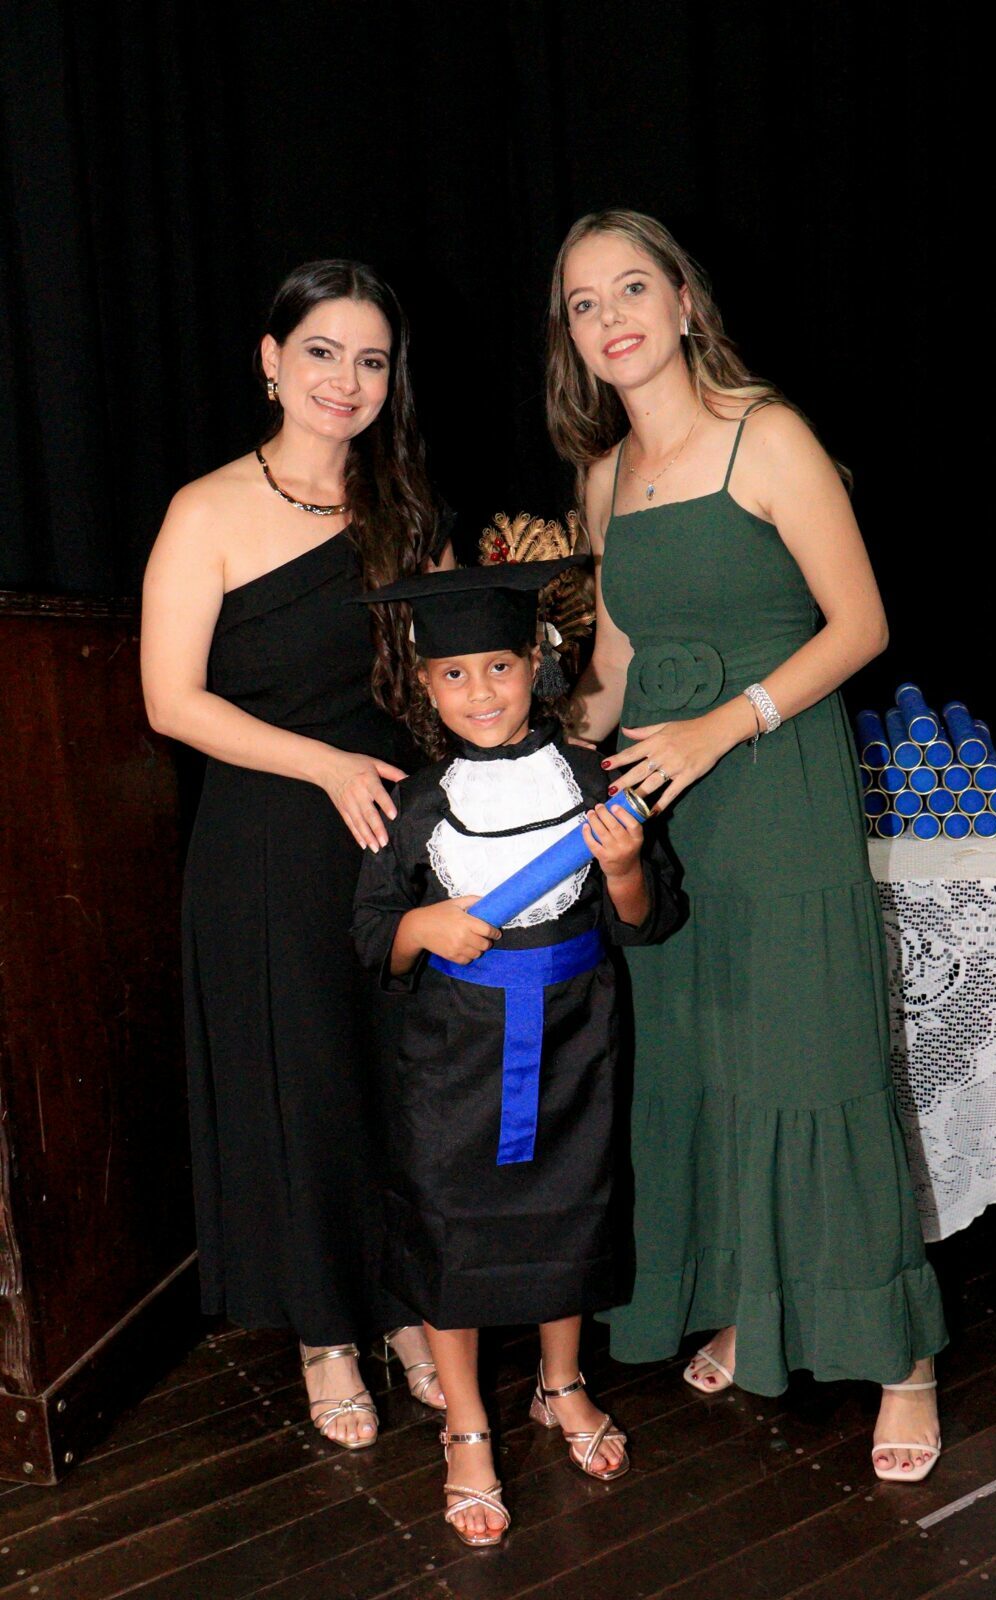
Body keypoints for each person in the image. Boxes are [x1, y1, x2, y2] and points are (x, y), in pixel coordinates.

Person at [545, 209, 948, 1483]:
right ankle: (746, 1302)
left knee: (810, 1058)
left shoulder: (764, 435)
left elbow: (859, 623)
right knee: (701, 1057)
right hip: (661, 806)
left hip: (774, 779)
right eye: (580, 303)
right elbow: (614, 664)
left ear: (682, 301)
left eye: (629, 288)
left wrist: (722, 725)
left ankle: (900, 1357)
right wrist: (526, 755)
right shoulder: (602, 478)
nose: (608, 318)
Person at [141, 259, 450, 1449]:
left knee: (399, 1083)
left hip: (394, 835)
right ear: (271, 360)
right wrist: (322, 765)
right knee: (305, 1088)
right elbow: (170, 700)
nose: (345, 380)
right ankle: (327, 1336)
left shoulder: (403, 510)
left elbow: (439, 679)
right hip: (270, 837)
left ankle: (406, 1308)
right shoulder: (205, 509)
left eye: (370, 360)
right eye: (322, 351)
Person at [351, 560, 682, 1543]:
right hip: (452, 1055)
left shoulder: (594, 781)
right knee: (450, 1226)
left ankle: (560, 1384)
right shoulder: (414, 803)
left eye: (498, 666)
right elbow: (370, 935)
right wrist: (423, 926)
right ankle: (464, 1426)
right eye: (453, 674)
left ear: (536, 664)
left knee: (567, 1211)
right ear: (424, 685)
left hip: (578, 1041)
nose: (480, 692)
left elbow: (647, 919)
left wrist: (621, 866)